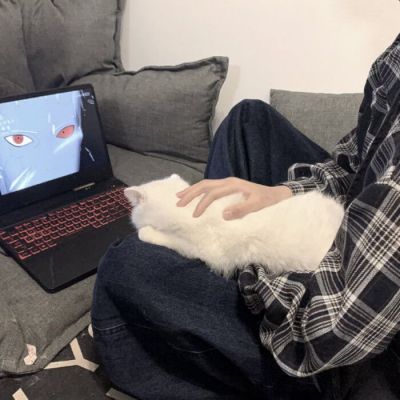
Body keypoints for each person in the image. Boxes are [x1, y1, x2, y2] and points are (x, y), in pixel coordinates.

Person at [91, 32, 400, 400]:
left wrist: (245, 260)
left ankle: (200, 297)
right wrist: (283, 193)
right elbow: (351, 167)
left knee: (125, 263)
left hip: (352, 351)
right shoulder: (394, 56)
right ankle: (200, 284)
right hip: (348, 241)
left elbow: (333, 330)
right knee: (248, 120)